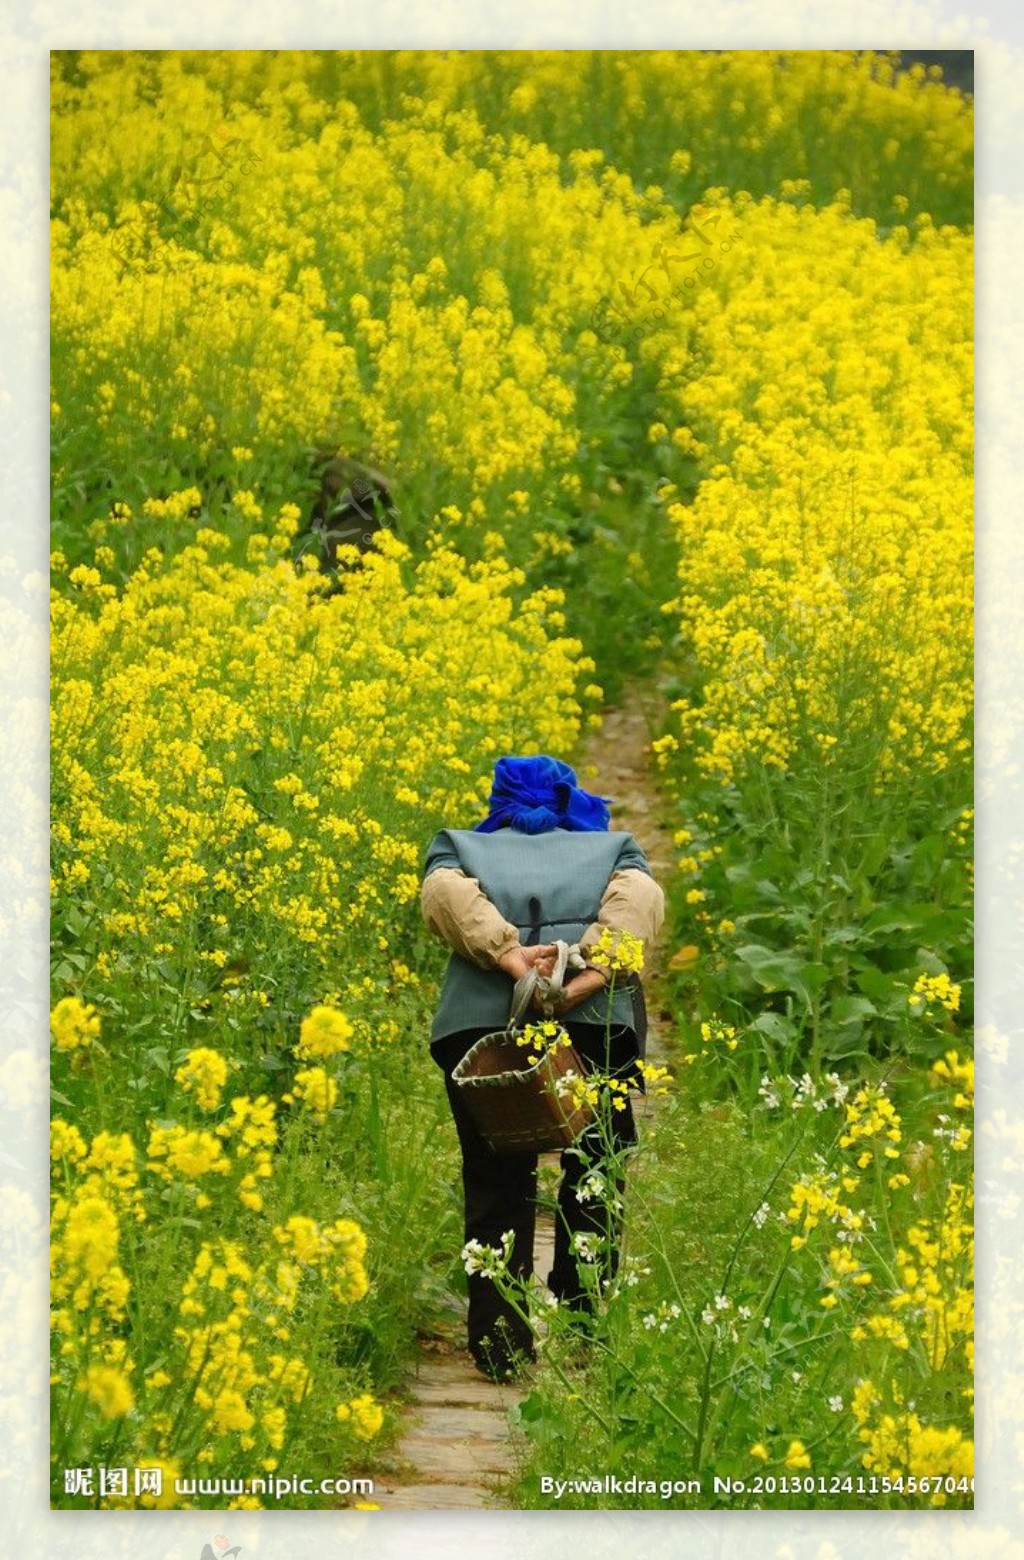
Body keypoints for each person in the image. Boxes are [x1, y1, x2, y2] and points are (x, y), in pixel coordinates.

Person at [420, 753, 665, 1381]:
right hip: (593, 1026)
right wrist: (587, 979)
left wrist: (511, 962)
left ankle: (500, 1345)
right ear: (568, 797)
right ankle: (585, 1325)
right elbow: (637, 904)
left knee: (496, 1176)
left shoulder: (457, 846)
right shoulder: (616, 848)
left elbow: (446, 896)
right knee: (597, 1168)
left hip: (483, 1031)